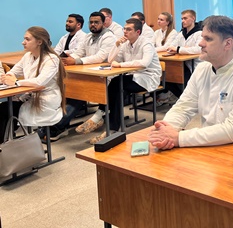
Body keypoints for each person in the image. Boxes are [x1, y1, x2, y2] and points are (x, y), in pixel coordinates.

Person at [148, 15, 233, 149]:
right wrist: (167, 129)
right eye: (202, 37)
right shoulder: (202, 69)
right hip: (207, 143)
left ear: (228, 44)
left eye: (208, 39)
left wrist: (179, 138)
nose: (200, 43)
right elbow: (183, 107)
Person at [78, 18, 162, 144]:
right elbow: (111, 60)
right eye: (124, 28)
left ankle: (104, 119)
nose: (125, 31)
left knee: (117, 84)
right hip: (132, 76)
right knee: (116, 87)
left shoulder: (146, 44)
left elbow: (144, 63)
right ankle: (109, 124)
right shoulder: (126, 44)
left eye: (129, 29)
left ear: (138, 32)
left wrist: (121, 65)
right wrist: (116, 45)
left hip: (147, 78)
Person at [56, 12, 115, 140]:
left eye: (96, 22)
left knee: (81, 93)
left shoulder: (109, 37)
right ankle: (58, 124)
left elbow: (100, 57)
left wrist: (76, 61)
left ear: (103, 23)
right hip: (89, 72)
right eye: (91, 22)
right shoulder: (88, 37)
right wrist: (69, 60)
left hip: (105, 74)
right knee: (74, 91)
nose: (93, 25)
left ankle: (59, 125)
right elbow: (79, 52)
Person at [0, 27, 66, 140]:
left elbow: (40, 82)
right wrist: (7, 77)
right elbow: (14, 71)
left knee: (5, 112)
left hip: (45, 102)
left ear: (39, 42)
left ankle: (5, 142)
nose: (23, 42)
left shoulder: (51, 59)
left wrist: (16, 82)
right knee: (3, 110)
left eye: (27, 39)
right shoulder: (28, 56)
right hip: (29, 98)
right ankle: (5, 140)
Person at [163, 9, 203, 100]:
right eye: (182, 19)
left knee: (182, 78)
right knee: (168, 79)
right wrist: (181, 49)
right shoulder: (181, 33)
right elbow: (171, 46)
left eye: (185, 18)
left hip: (195, 64)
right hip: (182, 63)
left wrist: (179, 49)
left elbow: (198, 49)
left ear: (193, 18)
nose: (183, 21)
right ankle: (184, 98)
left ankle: (190, 99)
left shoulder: (199, 33)